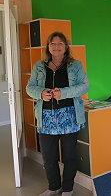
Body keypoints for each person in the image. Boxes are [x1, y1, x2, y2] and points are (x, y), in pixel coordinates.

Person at [26, 32, 89, 196]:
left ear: (66, 47)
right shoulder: (39, 66)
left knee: (69, 157)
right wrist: (41, 93)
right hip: (46, 118)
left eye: (60, 43)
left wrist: (64, 93)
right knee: (49, 158)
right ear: (48, 47)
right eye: (52, 43)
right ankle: (53, 187)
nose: (56, 46)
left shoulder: (75, 65)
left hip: (70, 116)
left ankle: (68, 188)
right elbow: (29, 87)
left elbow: (85, 86)